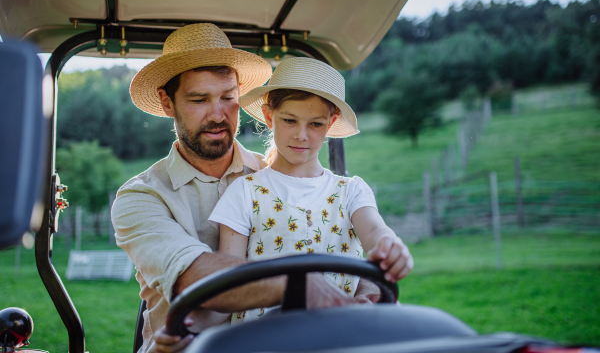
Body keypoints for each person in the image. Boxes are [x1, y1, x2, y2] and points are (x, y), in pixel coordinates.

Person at [112, 24, 405, 353]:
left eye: (228, 98)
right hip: (186, 345)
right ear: (167, 103)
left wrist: (364, 286)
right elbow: (193, 275)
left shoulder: (277, 177)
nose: (218, 114)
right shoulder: (141, 197)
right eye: (199, 99)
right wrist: (300, 285)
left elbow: (332, 241)